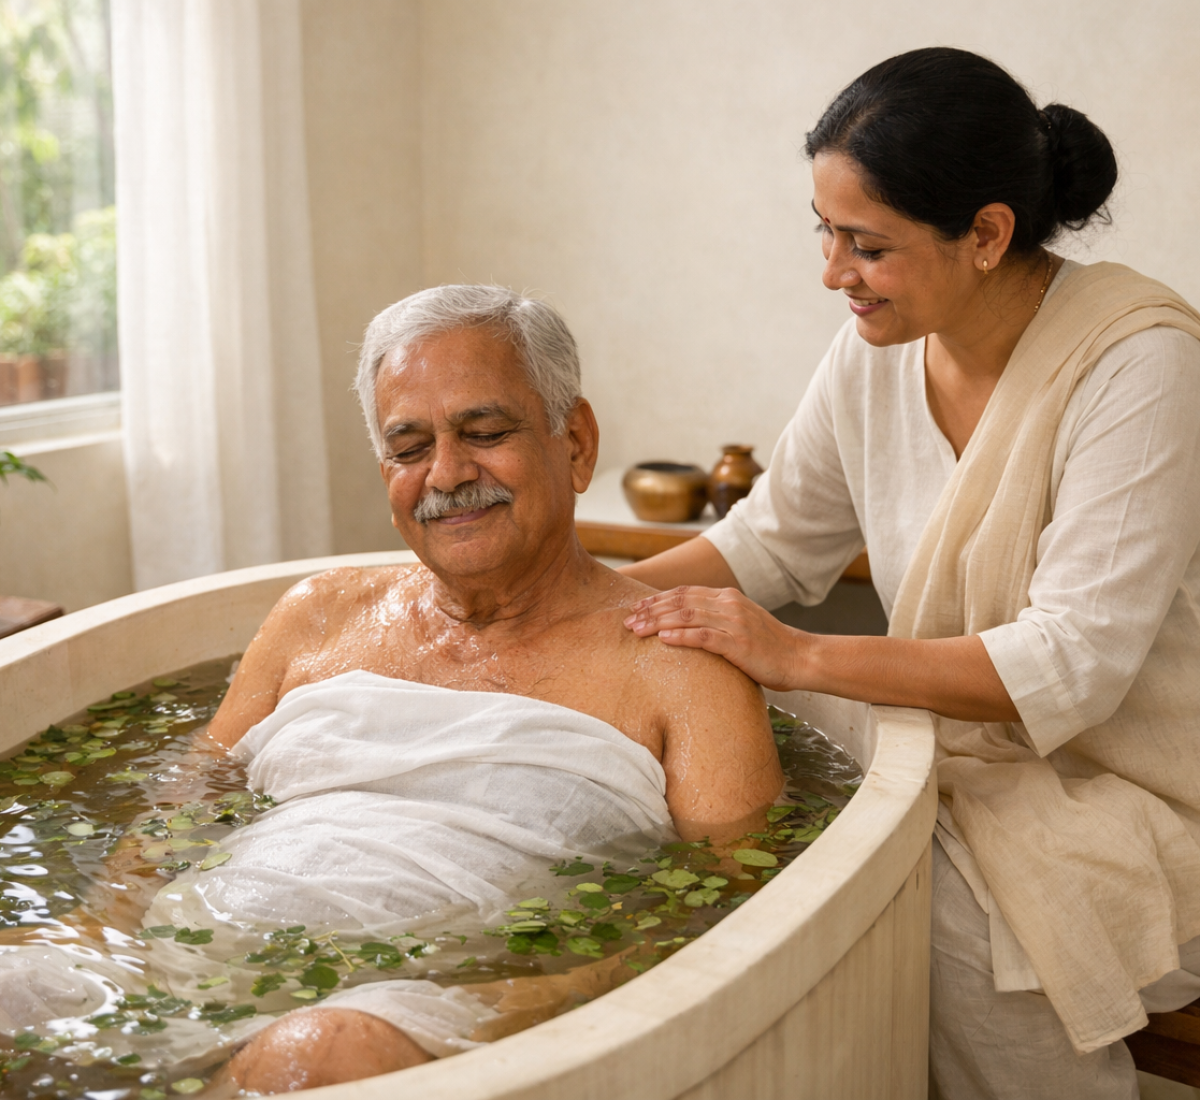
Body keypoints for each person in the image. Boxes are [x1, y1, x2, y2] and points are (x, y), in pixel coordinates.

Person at [0, 286, 782, 1094]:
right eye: (410, 448)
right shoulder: (319, 614)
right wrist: (97, 931)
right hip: (178, 955)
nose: (446, 473)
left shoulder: (679, 662)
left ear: (575, 442)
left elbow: (727, 913)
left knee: (313, 1055)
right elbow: (193, 797)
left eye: (485, 432)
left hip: (432, 1007)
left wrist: (523, 1005)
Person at [621, 47, 1200, 1100]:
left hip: (1143, 787)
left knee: (915, 901)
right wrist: (571, 607)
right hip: (972, 763)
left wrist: (795, 652)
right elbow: (768, 541)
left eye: (867, 244)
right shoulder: (876, 347)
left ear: (986, 233)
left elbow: (1072, 664)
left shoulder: (1140, 362)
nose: (833, 272)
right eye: (825, 231)